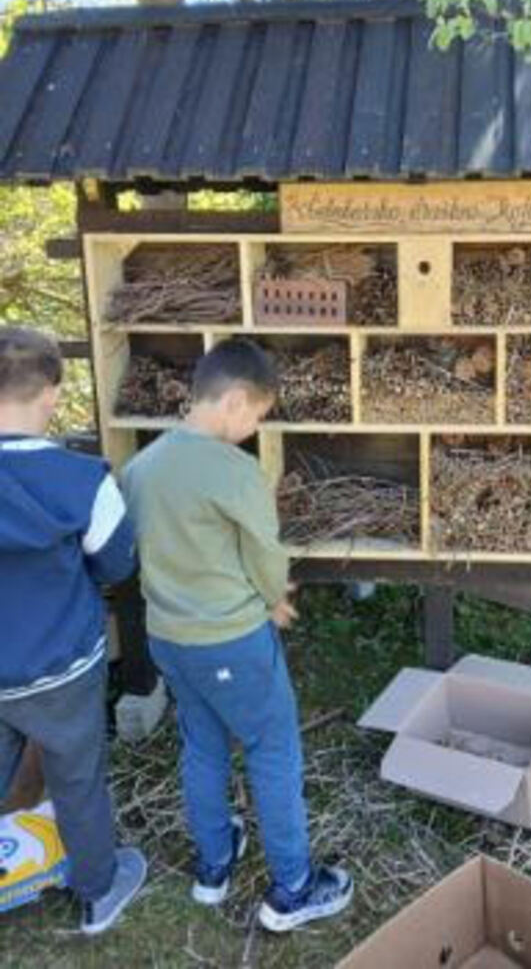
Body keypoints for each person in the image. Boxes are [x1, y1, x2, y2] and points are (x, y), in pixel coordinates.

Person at [122, 339, 352, 932]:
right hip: (229, 639)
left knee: (201, 745)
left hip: (167, 637)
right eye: (257, 416)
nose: (254, 430)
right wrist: (275, 599)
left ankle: (213, 866)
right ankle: (294, 888)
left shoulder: (142, 467)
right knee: (272, 749)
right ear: (233, 401)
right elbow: (266, 554)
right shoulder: (235, 472)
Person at [0, 326, 146, 935]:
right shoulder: (83, 480)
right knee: (78, 780)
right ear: (53, 393)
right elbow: (117, 564)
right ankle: (98, 887)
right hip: (61, 668)